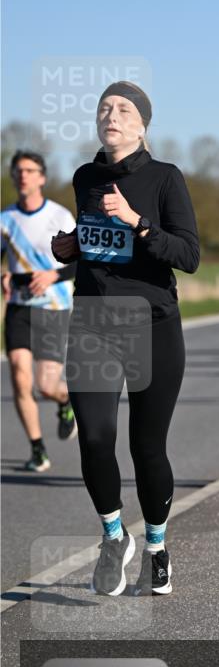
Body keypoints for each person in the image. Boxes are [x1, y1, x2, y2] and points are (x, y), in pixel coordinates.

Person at [52, 81, 199, 597]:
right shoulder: (85, 177)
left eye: (123, 109)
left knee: (146, 448)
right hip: (93, 321)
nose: (110, 114)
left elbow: (189, 255)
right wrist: (69, 247)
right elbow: (93, 242)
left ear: (142, 125)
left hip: (153, 324)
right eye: (104, 108)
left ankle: (157, 547)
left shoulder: (165, 178)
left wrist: (137, 223)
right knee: (93, 437)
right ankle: (114, 537)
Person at [1, 151, 78, 472]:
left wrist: (52, 275)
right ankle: (37, 450)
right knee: (19, 376)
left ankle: (65, 401)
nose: (24, 176)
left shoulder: (60, 217)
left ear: (42, 178)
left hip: (54, 306)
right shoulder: (5, 219)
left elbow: (79, 262)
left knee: (47, 385)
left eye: (30, 171)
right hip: (19, 306)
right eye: (18, 171)